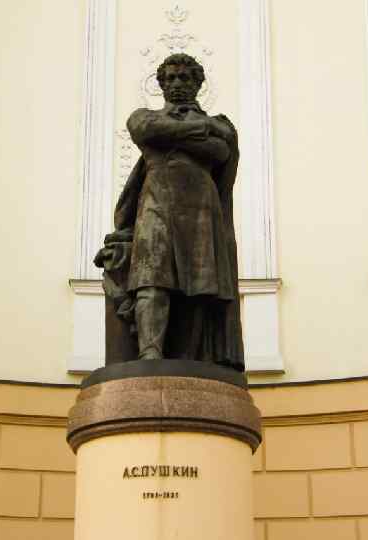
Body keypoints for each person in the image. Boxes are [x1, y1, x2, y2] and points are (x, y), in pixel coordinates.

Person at [95, 53, 244, 371]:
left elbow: (220, 150)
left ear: (198, 84)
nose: (177, 83)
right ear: (161, 84)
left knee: (199, 288)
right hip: (156, 205)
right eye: (170, 78)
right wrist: (200, 129)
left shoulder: (221, 125)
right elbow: (144, 129)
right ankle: (150, 353)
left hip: (202, 211)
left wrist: (172, 135)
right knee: (150, 281)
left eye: (185, 78)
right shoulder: (146, 116)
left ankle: (189, 359)